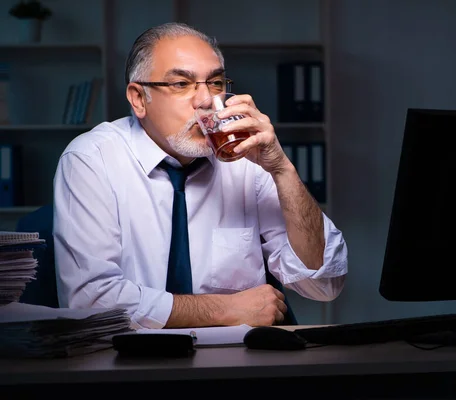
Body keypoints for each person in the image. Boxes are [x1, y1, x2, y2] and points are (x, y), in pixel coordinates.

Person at [52, 22, 348, 329]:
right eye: (182, 84)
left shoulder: (245, 158)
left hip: (238, 362)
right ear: (139, 99)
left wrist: (282, 170)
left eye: (216, 83)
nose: (206, 100)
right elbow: (89, 301)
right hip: (131, 363)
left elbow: (323, 283)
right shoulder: (93, 159)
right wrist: (225, 309)